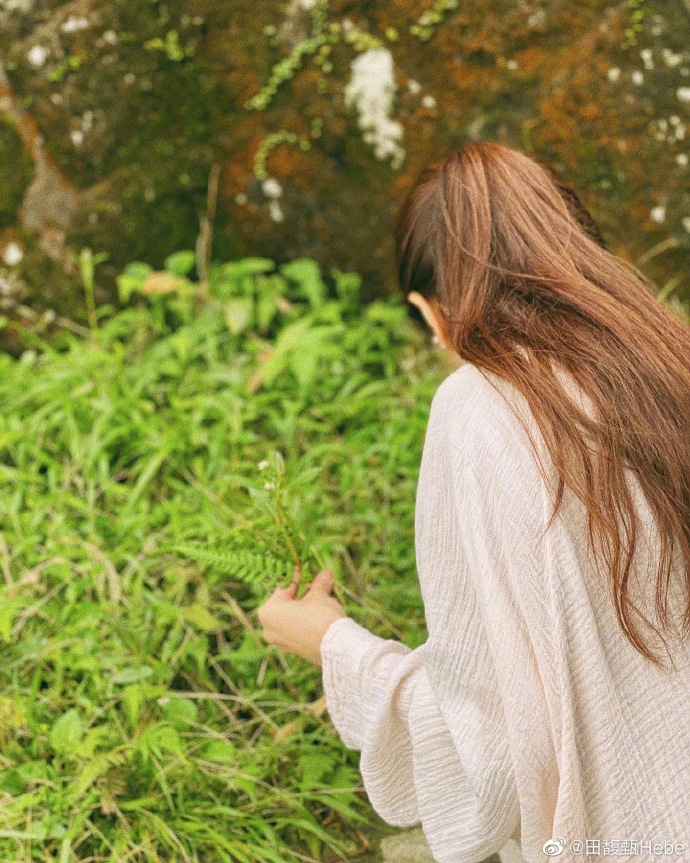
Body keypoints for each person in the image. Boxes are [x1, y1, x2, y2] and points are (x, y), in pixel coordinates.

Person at [255, 142, 690, 863]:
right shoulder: (665, 361)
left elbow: (493, 749)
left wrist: (332, 645)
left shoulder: (480, 406)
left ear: (431, 312)